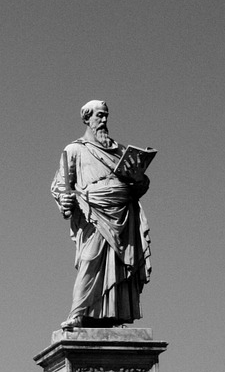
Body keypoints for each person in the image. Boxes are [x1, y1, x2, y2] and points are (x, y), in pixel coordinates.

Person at [50, 100, 153, 330]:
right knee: (90, 260)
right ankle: (79, 312)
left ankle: (115, 315)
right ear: (87, 119)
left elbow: (140, 186)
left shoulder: (119, 151)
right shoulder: (75, 150)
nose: (104, 120)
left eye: (106, 116)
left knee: (118, 265)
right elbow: (59, 185)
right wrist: (64, 200)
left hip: (123, 215)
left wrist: (138, 178)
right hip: (94, 214)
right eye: (99, 116)